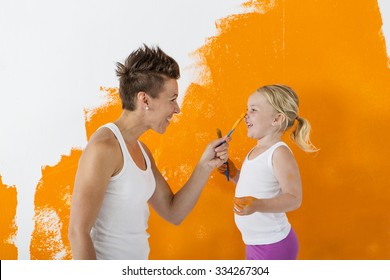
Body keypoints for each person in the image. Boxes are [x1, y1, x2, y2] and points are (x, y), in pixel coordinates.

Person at [68, 45, 229, 260]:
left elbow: (173, 213)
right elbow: (78, 232)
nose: (177, 108)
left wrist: (204, 166)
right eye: (172, 99)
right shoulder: (103, 148)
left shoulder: (141, 150)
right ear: (144, 100)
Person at [218, 84, 318, 260]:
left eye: (253, 110)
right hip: (253, 243)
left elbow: (294, 198)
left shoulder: (279, 153)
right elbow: (257, 186)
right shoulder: (254, 151)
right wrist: (234, 174)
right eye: (246, 110)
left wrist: (257, 206)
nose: (245, 116)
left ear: (276, 119)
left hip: (274, 245)